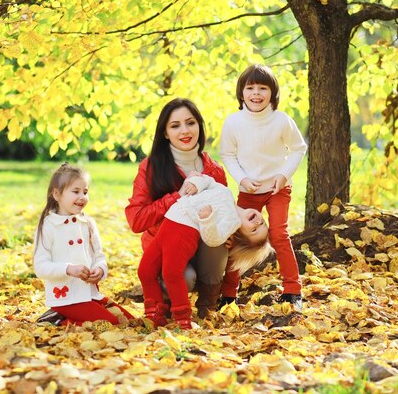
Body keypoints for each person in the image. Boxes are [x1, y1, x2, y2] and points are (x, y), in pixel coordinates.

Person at [125, 98, 229, 319]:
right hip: (167, 248)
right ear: (165, 133)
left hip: (203, 247)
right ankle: (167, 302)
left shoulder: (215, 171)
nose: (185, 131)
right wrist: (177, 196)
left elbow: (225, 214)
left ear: (200, 126)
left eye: (190, 123)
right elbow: (136, 220)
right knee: (185, 277)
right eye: (175, 126)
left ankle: (207, 306)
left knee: (219, 242)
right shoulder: (151, 167)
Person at [219, 63, 308, 311]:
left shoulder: (281, 121)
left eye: (262, 88)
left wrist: (283, 174)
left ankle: (292, 291)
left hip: (278, 189)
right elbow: (227, 154)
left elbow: (299, 148)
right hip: (249, 189)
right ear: (242, 93)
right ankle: (228, 295)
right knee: (237, 238)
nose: (256, 94)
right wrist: (242, 179)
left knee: (279, 234)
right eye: (250, 88)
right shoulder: (233, 122)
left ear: (272, 93)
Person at [138, 173, 272, 329]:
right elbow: (210, 181)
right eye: (262, 223)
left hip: (184, 229)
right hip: (170, 221)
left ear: (242, 236)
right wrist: (197, 183)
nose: (257, 222)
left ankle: (183, 318)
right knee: (144, 270)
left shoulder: (230, 222)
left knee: (171, 273)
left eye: (254, 230)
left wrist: (207, 220)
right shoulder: (226, 193)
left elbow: (213, 240)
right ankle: (154, 311)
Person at [34, 163, 134, 326]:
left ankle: (65, 318)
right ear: (57, 194)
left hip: (90, 293)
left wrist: (100, 270)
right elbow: (40, 267)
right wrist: (68, 269)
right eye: (76, 191)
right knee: (110, 324)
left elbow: (99, 257)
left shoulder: (87, 223)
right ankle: (59, 320)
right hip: (66, 298)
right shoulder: (48, 225)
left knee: (130, 322)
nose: (82, 197)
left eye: (85, 192)